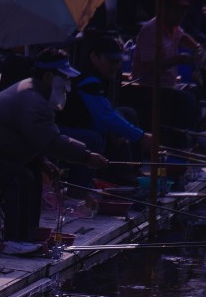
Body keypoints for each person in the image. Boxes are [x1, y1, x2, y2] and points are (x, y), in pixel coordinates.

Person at [0, 47, 109, 245]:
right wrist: (86, 157)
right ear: (48, 77)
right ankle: (14, 241)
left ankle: (28, 235)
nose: (68, 86)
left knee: (33, 175)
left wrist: (40, 161)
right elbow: (52, 141)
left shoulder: (35, 93)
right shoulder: (32, 99)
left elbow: (29, 136)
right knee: (20, 177)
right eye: (64, 78)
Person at [59, 31, 154, 184]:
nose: (116, 66)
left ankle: (131, 170)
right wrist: (140, 136)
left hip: (83, 122)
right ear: (94, 57)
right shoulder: (88, 81)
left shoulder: (98, 77)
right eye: (111, 61)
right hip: (63, 128)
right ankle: (80, 189)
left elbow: (105, 111)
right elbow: (104, 116)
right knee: (94, 139)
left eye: (118, 62)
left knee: (128, 113)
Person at [121, 0, 202, 150]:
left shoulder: (173, 28)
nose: (180, 15)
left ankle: (192, 139)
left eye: (183, 11)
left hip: (167, 85)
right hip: (147, 86)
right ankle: (177, 146)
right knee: (185, 100)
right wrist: (177, 59)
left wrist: (197, 47)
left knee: (196, 91)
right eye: (176, 10)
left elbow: (183, 37)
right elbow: (150, 68)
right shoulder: (152, 30)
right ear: (165, 9)